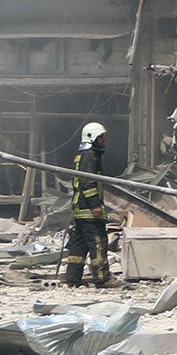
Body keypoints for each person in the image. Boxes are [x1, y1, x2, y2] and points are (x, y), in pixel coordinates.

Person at [63, 122, 113, 286]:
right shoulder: (90, 156)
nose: (104, 139)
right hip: (89, 211)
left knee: (79, 245)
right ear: (92, 137)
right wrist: (95, 205)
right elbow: (88, 182)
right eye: (101, 136)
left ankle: (72, 278)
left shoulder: (82, 154)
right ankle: (101, 278)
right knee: (98, 243)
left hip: (80, 209)